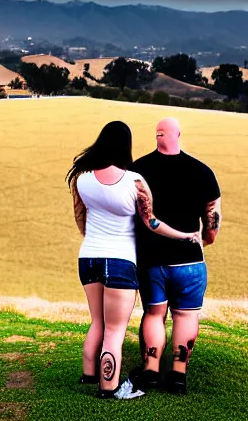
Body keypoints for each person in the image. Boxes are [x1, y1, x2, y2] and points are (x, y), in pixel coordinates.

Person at [66, 120, 201, 400]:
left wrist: (90, 238)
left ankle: (89, 373)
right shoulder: (134, 181)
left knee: (96, 321)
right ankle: (110, 387)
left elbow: (81, 217)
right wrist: (184, 235)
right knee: (114, 330)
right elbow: (151, 222)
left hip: (88, 257)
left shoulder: (82, 177)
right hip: (120, 262)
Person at [130, 117, 222, 395]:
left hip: (152, 260)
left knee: (154, 314)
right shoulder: (202, 171)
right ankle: (178, 375)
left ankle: (151, 370)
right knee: (185, 316)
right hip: (190, 261)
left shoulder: (138, 170)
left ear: (156, 136)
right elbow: (213, 221)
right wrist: (203, 240)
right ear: (179, 135)